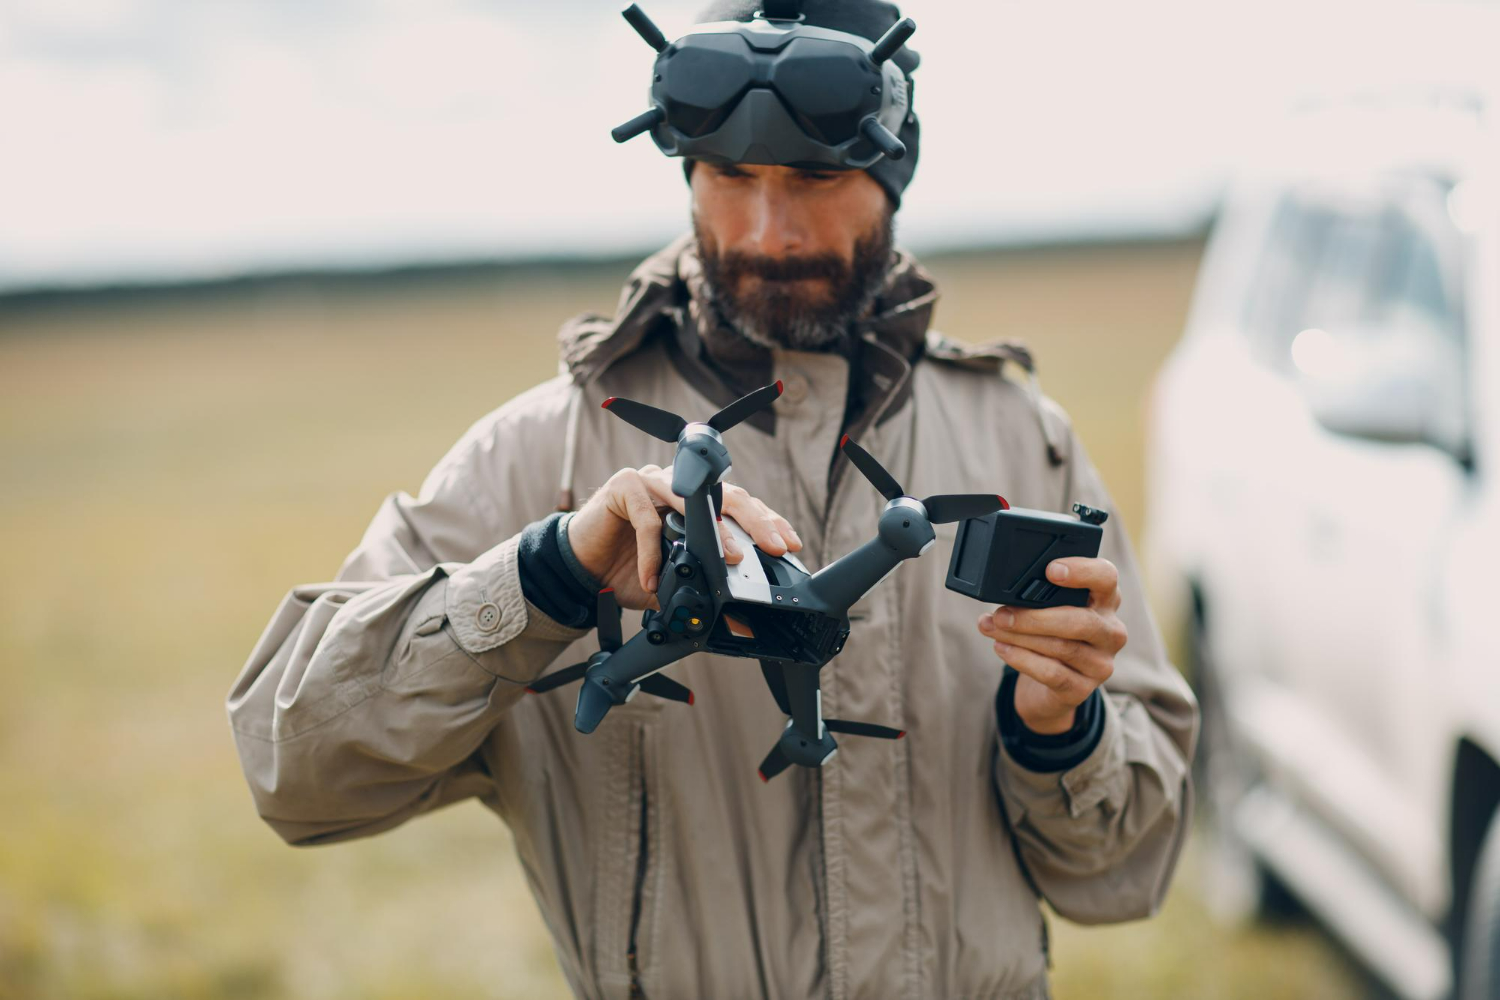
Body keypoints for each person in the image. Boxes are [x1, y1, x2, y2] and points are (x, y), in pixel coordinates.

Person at [226, 1, 1198, 997]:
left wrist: (1058, 727)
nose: (769, 231)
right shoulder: (536, 456)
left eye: (816, 178)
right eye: (731, 175)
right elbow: (294, 770)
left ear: (892, 170)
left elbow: (1123, 875)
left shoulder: (1022, 445)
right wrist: (543, 579)